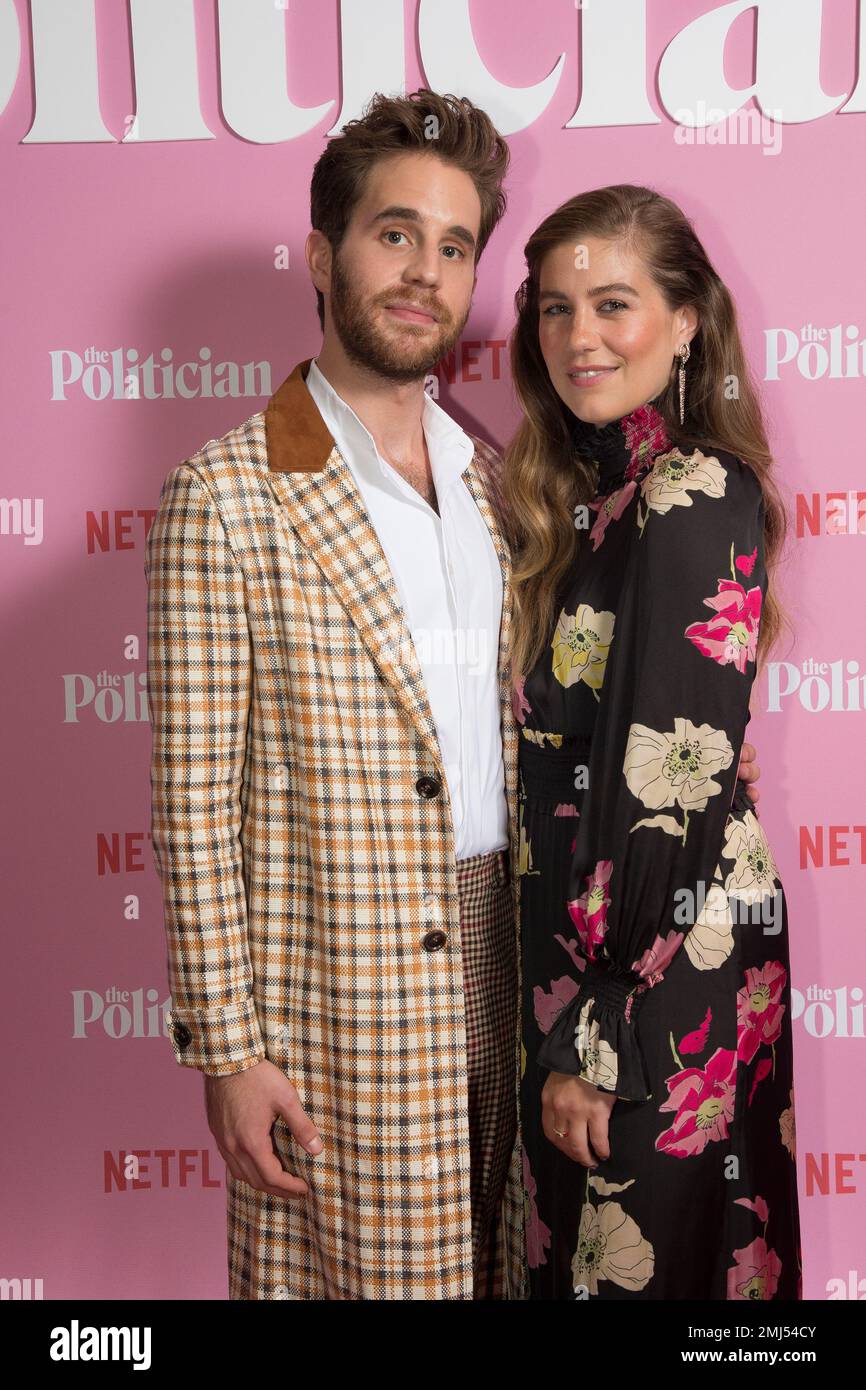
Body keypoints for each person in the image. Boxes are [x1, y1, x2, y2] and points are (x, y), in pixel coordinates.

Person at [145, 89, 761, 1301]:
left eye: (454, 244)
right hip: (341, 1000)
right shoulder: (222, 495)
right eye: (392, 234)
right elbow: (191, 807)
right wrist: (227, 1053)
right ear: (322, 256)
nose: (424, 272)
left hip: (518, 958)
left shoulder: (503, 486)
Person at [504, 184, 802, 1300]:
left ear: (684, 322)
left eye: (612, 304)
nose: (577, 336)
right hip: (613, 974)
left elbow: (660, 797)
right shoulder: (595, 497)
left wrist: (598, 1029)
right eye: (552, 308)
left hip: (648, 985)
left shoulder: (687, 488)